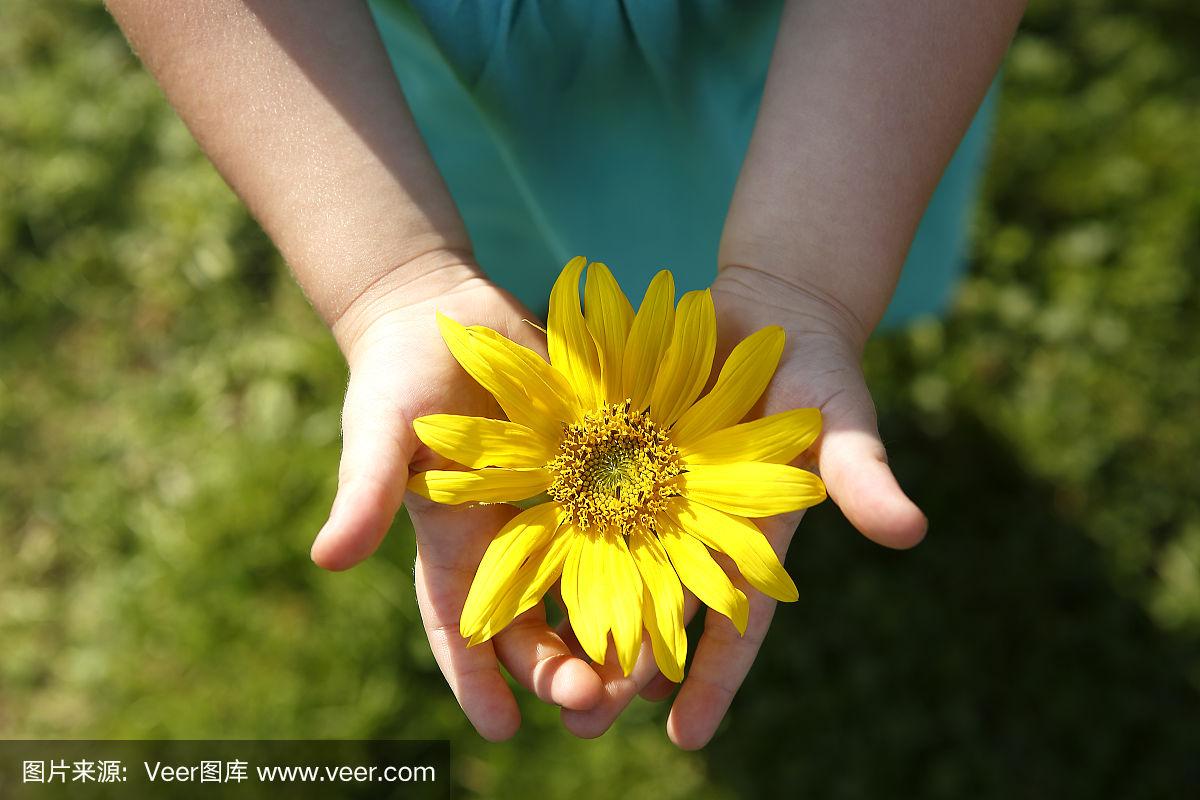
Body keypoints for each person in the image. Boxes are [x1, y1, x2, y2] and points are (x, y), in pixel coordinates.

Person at [106, 0, 1026, 748]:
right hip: (431, 79)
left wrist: (811, 278)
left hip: (843, 92)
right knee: (512, 214)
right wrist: (392, 268)